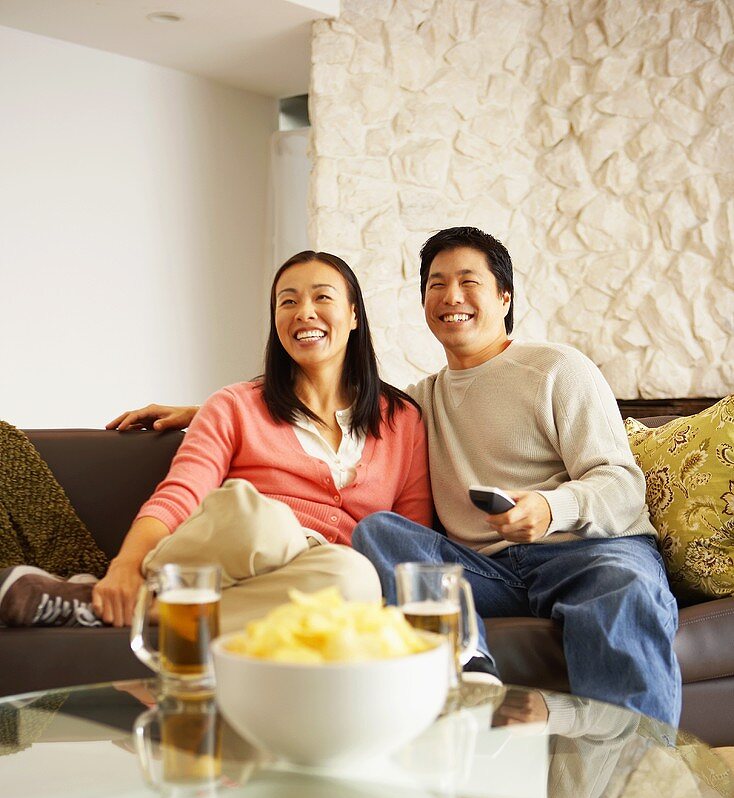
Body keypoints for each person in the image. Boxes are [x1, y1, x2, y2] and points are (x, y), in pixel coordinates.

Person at [95, 227, 682, 727]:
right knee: (376, 530)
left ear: (504, 296)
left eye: (469, 282)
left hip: (585, 552)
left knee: (620, 582)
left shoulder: (551, 370)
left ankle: (641, 779)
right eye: (436, 284)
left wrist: (551, 509)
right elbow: (312, 401)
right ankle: (468, 665)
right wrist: (209, 412)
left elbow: (621, 482)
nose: (451, 296)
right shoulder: (417, 400)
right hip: (485, 572)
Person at [0, 251, 432, 632]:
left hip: (308, 576)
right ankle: (138, 588)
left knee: (353, 578)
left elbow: (409, 537)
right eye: (288, 301)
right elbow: (179, 495)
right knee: (265, 520)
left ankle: (123, 608)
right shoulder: (233, 405)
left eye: (322, 297)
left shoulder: (403, 420)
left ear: (354, 314)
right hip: (217, 555)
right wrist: (125, 566)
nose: (304, 311)